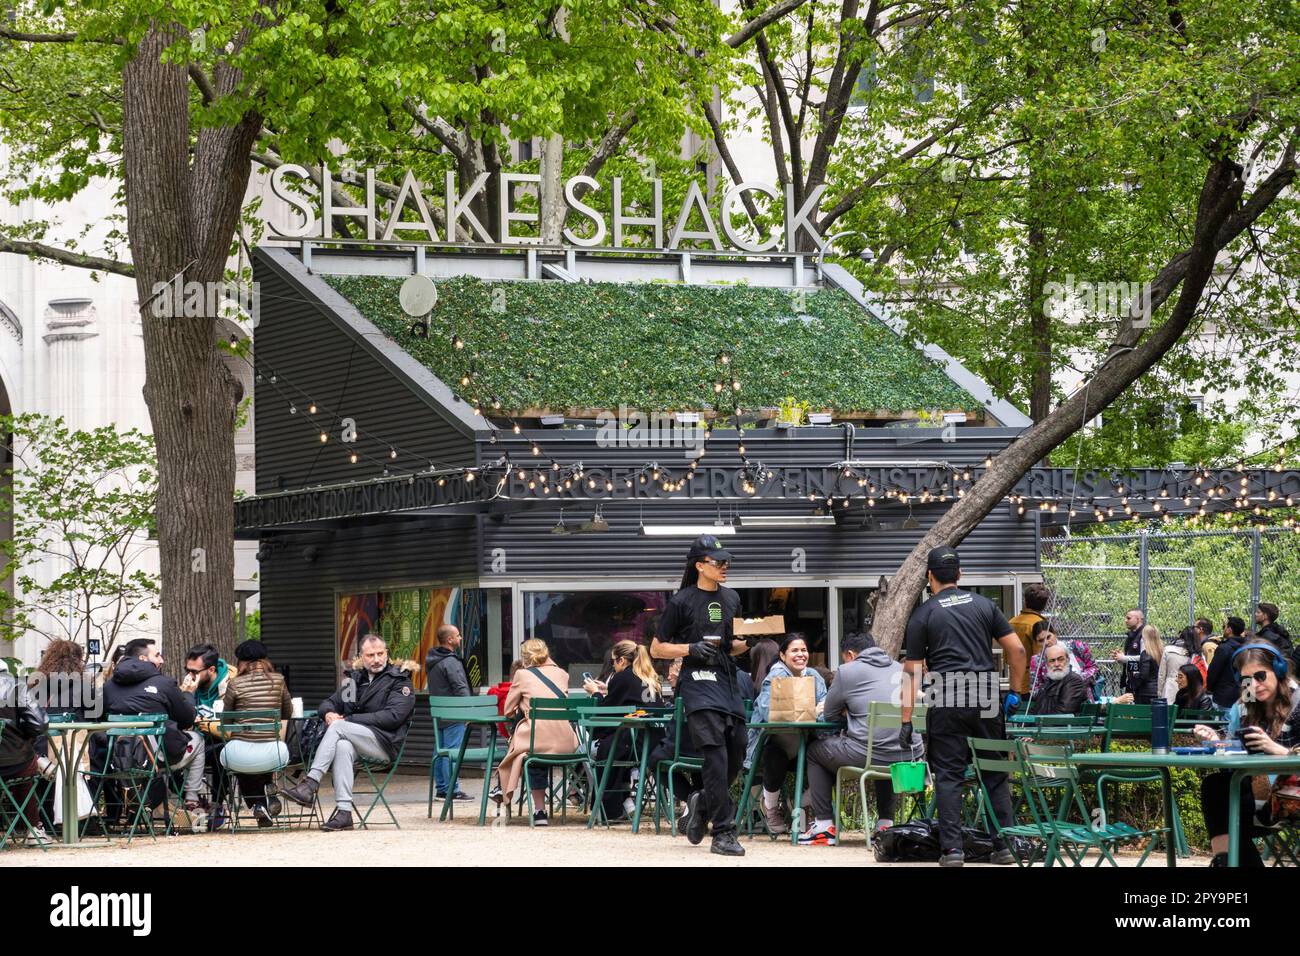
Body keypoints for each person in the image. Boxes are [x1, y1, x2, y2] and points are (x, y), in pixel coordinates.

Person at [901, 546, 1026, 867]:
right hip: (985, 693)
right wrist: (1015, 691)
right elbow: (1018, 652)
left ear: (930, 576)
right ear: (959, 574)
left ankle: (953, 851)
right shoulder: (986, 605)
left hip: (946, 694)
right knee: (995, 772)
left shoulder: (923, 614)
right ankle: (1004, 846)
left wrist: (905, 721)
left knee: (948, 775)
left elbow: (912, 671)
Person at [650, 533, 751, 857]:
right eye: (718, 562)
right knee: (715, 754)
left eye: (727, 562)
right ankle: (723, 832)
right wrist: (690, 648)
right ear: (699, 565)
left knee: (737, 749)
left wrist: (751, 638)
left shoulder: (732, 597)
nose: (725, 566)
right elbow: (656, 648)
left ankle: (701, 801)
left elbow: (734, 642)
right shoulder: (681, 602)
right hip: (695, 682)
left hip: (726, 680)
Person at [279, 634, 416, 832]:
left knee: (339, 727)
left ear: (387, 654)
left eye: (380, 654)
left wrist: (348, 720)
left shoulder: (399, 680)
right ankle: (344, 813)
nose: (376, 659)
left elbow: (393, 717)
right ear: (361, 656)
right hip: (357, 742)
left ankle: (310, 784)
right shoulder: (354, 679)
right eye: (370, 655)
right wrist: (328, 714)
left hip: (384, 743)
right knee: (342, 745)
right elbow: (329, 702)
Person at [801, 632, 924, 846]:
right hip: (908, 755)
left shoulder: (847, 671)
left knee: (814, 751)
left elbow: (829, 715)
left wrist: (848, 711)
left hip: (868, 754)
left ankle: (823, 825)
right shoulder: (900, 668)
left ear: (850, 655)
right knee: (885, 751)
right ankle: (885, 823)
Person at [1192, 644, 1300, 866]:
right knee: (1214, 786)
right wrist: (1217, 743)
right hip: (1257, 797)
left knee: (1230, 815)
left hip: (1292, 796)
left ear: (1278, 670)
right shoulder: (1244, 706)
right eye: (1247, 680)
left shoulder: (1297, 701)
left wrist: (1279, 750)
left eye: (1260, 675)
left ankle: (1226, 861)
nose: (1255, 685)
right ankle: (1224, 861)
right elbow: (1232, 759)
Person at [96, 637, 207, 826]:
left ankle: (143, 807)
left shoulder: (107, 687)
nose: (162, 660)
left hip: (118, 759)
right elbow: (187, 719)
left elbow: (98, 720)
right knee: (198, 739)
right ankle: (191, 800)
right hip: (157, 758)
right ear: (143, 659)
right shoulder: (163, 683)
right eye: (157, 655)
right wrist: (188, 693)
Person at [491, 638, 579, 825]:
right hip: (566, 742)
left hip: (537, 741)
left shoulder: (522, 675)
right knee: (533, 747)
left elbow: (507, 710)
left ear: (525, 657)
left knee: (528, 754)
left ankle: (539, 811)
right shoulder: (562, 673)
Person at [746, 632, 827, 835]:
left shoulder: (814, 676)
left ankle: (802, 803)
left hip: (806, 747)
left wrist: (815, 712)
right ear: (783, 655)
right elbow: (767, 711)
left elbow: (828, 713)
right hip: (772, 746)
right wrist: (812, 711)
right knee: (775, 756)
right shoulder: (776, 676)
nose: (801, 655)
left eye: (804, 650)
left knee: (831, 756)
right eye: (795, 651)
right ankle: (771, 808)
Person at [584, 639, 664, 822]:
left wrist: (596, 693)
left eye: (613, 661)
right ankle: (626, 800)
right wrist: (608, 688)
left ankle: (607, 809)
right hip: (654, 743)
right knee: (614, 743)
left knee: (591, 749)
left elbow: (606, 713)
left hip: (633, 744)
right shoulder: (650, 678)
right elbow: (628, 698)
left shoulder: (622, 678)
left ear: (622, 660)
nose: (612, 666)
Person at [218, 640, 293, 826]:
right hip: (273, 753)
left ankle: (257, 804)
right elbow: (288, 712)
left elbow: (226, 721)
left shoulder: (235, 684)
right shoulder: (279, 680)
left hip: (240, 754)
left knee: (242, 765)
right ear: (265, 659)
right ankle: (267, 792)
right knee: (260, 758)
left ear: (241, 662)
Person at [0, 657, 53, 847]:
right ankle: (34, 829)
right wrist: (24, 737)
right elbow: (39, 724)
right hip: (13, 761)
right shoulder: (16, 687)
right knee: (27, 765)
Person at [424, 623, 472, 802]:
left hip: (440, 713)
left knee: (440, 751)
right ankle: (453, 789)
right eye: (458, 635)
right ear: (450, 639)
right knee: (452, 751)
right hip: (454, 713)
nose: (460, 638)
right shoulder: (451, 661)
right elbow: (460, 687)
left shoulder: (432, 660)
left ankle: (442, 788)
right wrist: (468, 713)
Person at [1027, 621, 1098, 700]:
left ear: (1054, 633)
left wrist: (1078, 679)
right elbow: (1034, 691)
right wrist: (1054, 687)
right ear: (1036, 643)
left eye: (1048, 637)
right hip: (1054, 706)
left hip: (1083, 699)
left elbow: (1093, 667)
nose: (1046, 642)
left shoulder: (1076, 646)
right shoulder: (1036, 661)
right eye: (1041, 640)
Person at [1007, 583, 1050, 696]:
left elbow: (1007, 658)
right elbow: (1042, 658)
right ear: (1045, 605)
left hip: (1014, 682)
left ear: (1025, 601)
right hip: (1034, 685)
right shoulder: (1043, 626)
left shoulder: (1010, 623)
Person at [1029, 642, 1089, 716]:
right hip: (1043, 725)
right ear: (1047, 663)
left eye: (1060, 659)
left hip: (1063, 726)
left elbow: (1063, 713)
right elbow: (1036, 709)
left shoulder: (1074, 681)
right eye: (1052, 661)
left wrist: (1036, 724)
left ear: (1068, 660)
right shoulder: (1048, 682)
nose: (1056, 664)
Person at [1115, 624, 1162, 704]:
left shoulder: (1146, 653)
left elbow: (1144, 674)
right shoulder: (1162, 652)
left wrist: (1134, 673)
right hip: (1159, 689)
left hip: (1146, 692)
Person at [1207, 617, 1248, 708]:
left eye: (1224, 626)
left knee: (1223, 721)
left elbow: (1213, 671)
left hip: (1224, 696)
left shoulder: (1224, 648)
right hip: (1244, 696)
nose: (1224, 629)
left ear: (1229, 629)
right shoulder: (1248, 648)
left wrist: (1209, 688)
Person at [182, 643, 232, 718]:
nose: (189, 676)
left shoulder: (230, 687)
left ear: (211, 670)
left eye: (195, 672)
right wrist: (186, 695)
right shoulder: (189, 688)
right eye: (187, 670)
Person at [1111, 608, 1145, 697]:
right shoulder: (1131, 636)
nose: (1125, 621)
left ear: (1138, 619)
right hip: (1131, 681)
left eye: (1128, 618)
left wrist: (1124, 658)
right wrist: (1121, 658)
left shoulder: (1145, 634)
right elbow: (1133, 662)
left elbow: (1145, 658)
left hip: (1142, 683)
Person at [1158, 626, 1195, 704]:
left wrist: (1160, 692)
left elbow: (1161, 674)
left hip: (1169, 686)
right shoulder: (1193, 652)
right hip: (1187, 688)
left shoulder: (1168, 649)